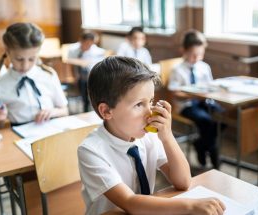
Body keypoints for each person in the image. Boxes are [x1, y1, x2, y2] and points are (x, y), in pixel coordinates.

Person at [77, 56, 226, 215]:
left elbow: (183, 181)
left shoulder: (148, 136)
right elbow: (130, 202)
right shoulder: (91, 150)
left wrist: (167, 137)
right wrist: (190, 206)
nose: (150, 113)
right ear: (106, 111)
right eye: (139, 104)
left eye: (151, 101)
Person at [0, 22, 68, 127]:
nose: (25, 65)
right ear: (7, 52)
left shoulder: (49, 75)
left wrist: (53, 112)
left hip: (51, 131)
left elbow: (65, 110)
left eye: (31, 59)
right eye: (19, 59)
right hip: (18, 136)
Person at [168, 30, 223, 169]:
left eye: (200, 54)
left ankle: (200, 144)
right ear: (184, 51)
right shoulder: (177, 69)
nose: (197, 57)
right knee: (206, 121)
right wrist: (192, 95)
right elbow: (174, 92)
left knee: (222, 116)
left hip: (204, 101)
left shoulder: (204, 67)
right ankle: (214, 154)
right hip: (186, 105)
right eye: (193, 55)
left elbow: (210, 86)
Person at [67, 32, 106, 112]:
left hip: (91, 76)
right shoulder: (73, 50)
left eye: (90, 44)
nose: (88, 46)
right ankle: (85, 107)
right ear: (81, 41)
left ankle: (91, 107)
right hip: (78, 76)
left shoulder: (96, 51)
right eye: (86, 43)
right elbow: (69, 63)